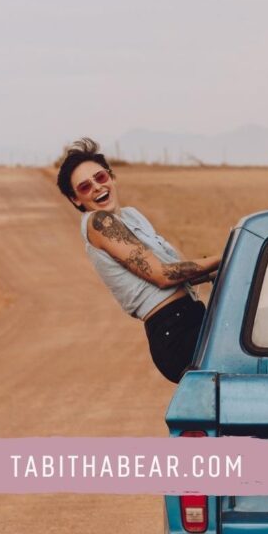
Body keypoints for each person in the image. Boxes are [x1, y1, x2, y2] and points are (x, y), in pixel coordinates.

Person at [56, 137, 223, 383]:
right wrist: (228, 253)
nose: (97, 187)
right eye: (84, 187)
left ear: (112, 177)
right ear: (75, 199)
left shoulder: (131, 216)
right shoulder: (99, 223)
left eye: (100, 177)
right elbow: (164, 275)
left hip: (192, 315)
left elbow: (180, 272)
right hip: (174, 331)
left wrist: (228, 265)